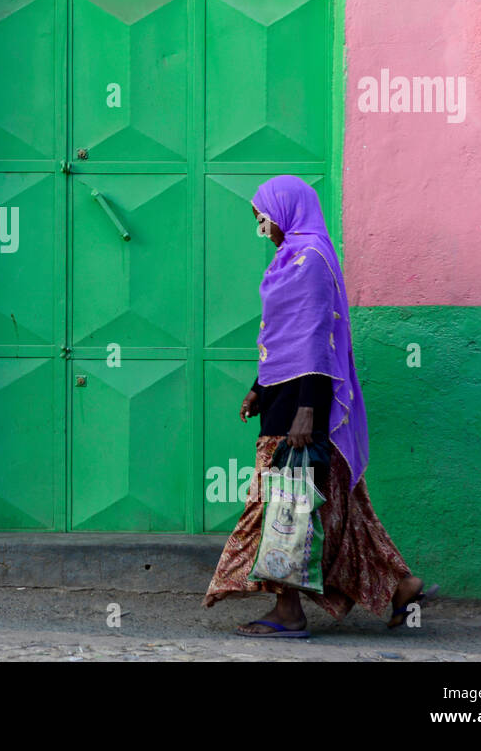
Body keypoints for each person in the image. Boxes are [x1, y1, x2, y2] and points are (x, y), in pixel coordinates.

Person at [203, 175, 436, 637]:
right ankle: (401, 585)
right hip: (284, 395)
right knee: (338, 507)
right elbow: (284, 335)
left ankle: (289, 612)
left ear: (286, 212)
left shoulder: (309, 261)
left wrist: (307, 411)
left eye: (263, 218)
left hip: (301, 407)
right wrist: (258, 386)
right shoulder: (292, 258)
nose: (262, 228)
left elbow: (315, 339)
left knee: (282, 504)